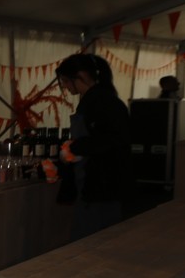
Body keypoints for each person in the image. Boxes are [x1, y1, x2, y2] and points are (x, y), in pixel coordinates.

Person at [54, 53, 133, 240]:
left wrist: (75, 147)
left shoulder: (103, 102)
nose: (65, 87)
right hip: (95, 184)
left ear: (81, 76)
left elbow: (112, 139)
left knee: (92, 240)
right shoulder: (96, 100)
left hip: (101, 184)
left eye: (66, 81)